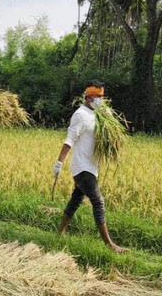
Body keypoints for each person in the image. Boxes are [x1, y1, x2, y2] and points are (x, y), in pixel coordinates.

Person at [53, 79, 127, 254]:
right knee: (98, 202)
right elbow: (70, 139)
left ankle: (59, 233)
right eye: (98, 96)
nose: (101, 100)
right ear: (89, 96)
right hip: (81, 167)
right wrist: (59, 161)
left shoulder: (100, 113)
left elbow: (111, 131)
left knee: (76, 200)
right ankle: (110, 245)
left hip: (92, 167)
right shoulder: (80, 115)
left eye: (103, 96)